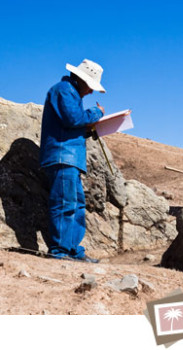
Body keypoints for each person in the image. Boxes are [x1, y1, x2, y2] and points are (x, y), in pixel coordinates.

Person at [40, 59, 106, 263]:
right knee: (64, 203)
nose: (91, 92)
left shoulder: (69, 92)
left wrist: (90, 128)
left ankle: (71, 250)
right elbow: (72, 119)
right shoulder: (64, 90)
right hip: (63, 157)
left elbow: (71, 125)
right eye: (91, 86)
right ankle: (60, 250)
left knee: (76, 205)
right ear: (82, 79)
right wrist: (97, 113)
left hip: (69, 158)